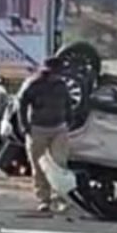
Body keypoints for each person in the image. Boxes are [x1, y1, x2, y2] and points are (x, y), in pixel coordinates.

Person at [17, 56, 73, 212]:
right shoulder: (33, 84)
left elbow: (68, 104)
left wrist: (69, 121)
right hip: (38, 129)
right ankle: (44, 199)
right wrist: (25, 126)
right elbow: (21, 103)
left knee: (59, 163)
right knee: (38, 166)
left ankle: (60, 198)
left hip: (59, 128)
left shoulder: (62, 86)